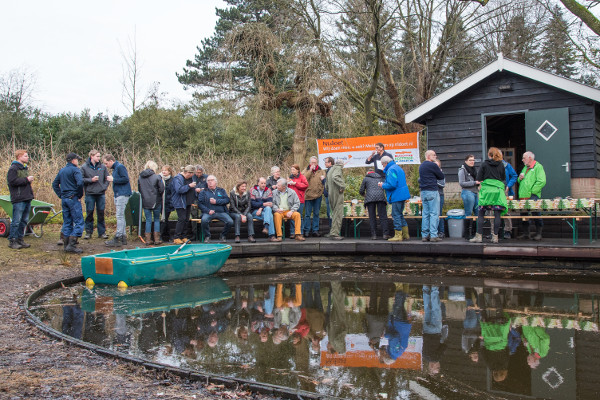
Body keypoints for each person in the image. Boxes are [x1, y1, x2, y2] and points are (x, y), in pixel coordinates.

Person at [470, 147, 507, 244]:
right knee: (497, 214)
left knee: (481, 213)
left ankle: (479, 236)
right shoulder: (501, 165)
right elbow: (503, 178)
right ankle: (495, 237)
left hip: (486, 191)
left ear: (489, 155)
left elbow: (478, 178)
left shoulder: (484, 164)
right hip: (497, 191)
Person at [52, 153, 85, 253]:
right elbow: (80, 183)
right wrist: (79, 195)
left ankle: (66, 245)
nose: (78, 162)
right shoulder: (75, 170)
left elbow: (54, 184)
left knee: (67, 221)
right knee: (79, 221)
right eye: (77, 160)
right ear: (73, 160)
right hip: (73, 198)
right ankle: (71, 245)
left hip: (65, 199)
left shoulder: (62, 170)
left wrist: (61, 195)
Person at [6, 149, 34, 249]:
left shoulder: (24, 168)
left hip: (26, 197)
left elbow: (24, 183)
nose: (27, 158)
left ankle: (20, 239)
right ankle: (12, 240)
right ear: (19, 157)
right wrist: (27, 179)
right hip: (18, 198)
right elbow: (12, 181)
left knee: (24, 221)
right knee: (16, 221)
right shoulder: (13, 168)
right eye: (25, 156)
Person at [102, 154, 132, 247]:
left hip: (122, 194)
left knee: (119, 215)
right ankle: (123, 237)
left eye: (106, 163)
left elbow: (125, 179)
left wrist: (113, 179)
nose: (106, 165)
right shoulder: (116, 168)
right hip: (119, 194)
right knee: (120, 215)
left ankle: (118, 237)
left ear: (111, 161)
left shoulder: (120, 167)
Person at [517, 151, 546, 240]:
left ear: (530, 158)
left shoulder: (538, 167)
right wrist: (519, 178)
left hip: (532, 195)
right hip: (523, 195)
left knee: (536, 213)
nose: (522, 160)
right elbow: (519, 180)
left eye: (524, 158)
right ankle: (526, 234)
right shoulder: (525, 168)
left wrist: (533, 192)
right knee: (524, 215)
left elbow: (541, 181)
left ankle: (539, 234)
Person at [380, 156, 410, 241]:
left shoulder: (391, 170)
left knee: (395, 215)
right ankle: (405, 234)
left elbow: (391, 185)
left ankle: (398, 235)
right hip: (403, 194)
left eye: (383, 165)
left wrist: (382, 185)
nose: (383, 167)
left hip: (397, 195)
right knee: (400, 214)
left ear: (386, 163)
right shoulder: (398, 168)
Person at [81, 150, 109, 240]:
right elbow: (81, 180)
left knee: (101, 213)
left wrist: (104, 187)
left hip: (101, 193)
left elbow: (107, 179)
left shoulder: (103, 167)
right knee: (89, 213)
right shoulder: (84, 167)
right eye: (97, 156)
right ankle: (88, 232)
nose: (99, 158)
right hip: (90, 193)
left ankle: (102, 232)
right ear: (92, 156)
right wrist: (90, 180)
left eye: (99, 156)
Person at [198, 175, 233, 242]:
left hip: (221, 212)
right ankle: (207, 236)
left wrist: (216, 201)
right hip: (208, 213)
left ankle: (223, 235)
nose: (210, 182)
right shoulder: (203, 192)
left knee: (230, 221)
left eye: (212, 180)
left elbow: (227, 200)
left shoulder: (221, 190)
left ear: (215, 182)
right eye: (208, 181)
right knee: (204, 220)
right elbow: (200, 204)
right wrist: (208, 211)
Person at [419, 150, 444, 242]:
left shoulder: (421, 166)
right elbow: (441, 176)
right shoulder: (433, 165)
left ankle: (425, 235)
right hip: (432, 190)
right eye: (434, 155)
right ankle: (433, 235)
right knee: (434, 213)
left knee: (425, 214)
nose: (435, 156)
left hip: (423, 191)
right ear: (428, 156)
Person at [138, 161, 165, 245]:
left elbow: (139, 189)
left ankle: (148, 239)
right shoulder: (157, 177)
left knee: (148, 220)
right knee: (156, 219)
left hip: (145, 201)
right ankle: (157, 239)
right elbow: (162, 189)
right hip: (156, 201)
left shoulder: (140, 177)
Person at [360, 168, 389, 240]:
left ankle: (374, 235)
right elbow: (385, 187)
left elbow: (361, 190)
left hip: (370, 199)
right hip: (381, 198)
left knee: (372, 217)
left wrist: (364, 195)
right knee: (383, 216)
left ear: (368, 173)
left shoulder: (366, 178)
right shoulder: (380, 177)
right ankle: (385, 234)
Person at [171, 165, 197, 244]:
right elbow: (179, 190)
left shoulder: (190, 178)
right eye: (190, 174)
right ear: (187, 172)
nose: (192, 176)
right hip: (180, 202)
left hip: (188, 202)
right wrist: (189, 186)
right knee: (181, 219)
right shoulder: (177, 178)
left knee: (186, 219)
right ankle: (177, 237)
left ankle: (184, 236)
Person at [302, 156, 326, 238]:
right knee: (307, 214)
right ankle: (307, 230)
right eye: (312, 162)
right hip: (308, 196)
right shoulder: (305, 170)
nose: (313, 164)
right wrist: (310, 170)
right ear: (309, 163)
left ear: (317, 163)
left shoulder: (321, 171)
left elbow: (325, 181)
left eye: (315, 162)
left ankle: (315, 230)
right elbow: (304, 178)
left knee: (316, 213)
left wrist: (323, 184)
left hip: (318, 195)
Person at [459, 154, 479, 239]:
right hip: (467, 192)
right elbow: (462, 183)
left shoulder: (474, 170)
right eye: (470, 160)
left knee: (478, 213)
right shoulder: (462, 170)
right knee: (468, 213)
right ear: (466, 161)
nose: (472, 162)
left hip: (475, 192)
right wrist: (474, 183)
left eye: (473, 160)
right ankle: (467, 234)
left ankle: (476, 233)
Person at [324, 158, 346, 240]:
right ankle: (335, 234)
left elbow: (326, 184)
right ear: (342, 164)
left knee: (334, 213)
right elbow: (335, 177)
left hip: (331, 194)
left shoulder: (330, 169)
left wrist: (328, 191)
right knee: (338, 213)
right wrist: (342, 185)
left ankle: (332, 232)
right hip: (337, 193)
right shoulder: (338, 168)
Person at [287, 164, 308, 239]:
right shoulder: (290, 177)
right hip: (291, 200)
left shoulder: (302, 177)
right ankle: (293, 232)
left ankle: (300, 232)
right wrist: (288, 183)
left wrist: (295, 183)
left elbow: (305, 185)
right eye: (291, 170)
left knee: (299, 216)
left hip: (300, 199)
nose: (292, 171)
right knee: (292, 215)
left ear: (297, 170)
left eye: (293, 170)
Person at [502, 159, 518, 239]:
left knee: (506, 211)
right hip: (494, 191)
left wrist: (508, 186)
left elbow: (514, 176)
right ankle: (494, 232)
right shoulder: (490, 165)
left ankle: (507, 230)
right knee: (492, 211)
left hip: (505, 190)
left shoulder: (507, 165)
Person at [160, 165, 175, 242]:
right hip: (161, 202)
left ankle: (163, 236)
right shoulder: (159, 179)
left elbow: (173, 192)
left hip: (168, 202)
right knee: (164, 219)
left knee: (165, 219)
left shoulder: (172, 180)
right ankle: (167, 236)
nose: (163, 172)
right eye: (162, 170)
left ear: (169, 171)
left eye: (165, 170)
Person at [434, 159, 446, 238]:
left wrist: (433, 181)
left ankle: (441, 231)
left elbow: (443, 184)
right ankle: (433, 231)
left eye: (437, 166)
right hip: (431, 194)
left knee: (439, 213)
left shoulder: (441, 173)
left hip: (439, 194)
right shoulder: (428, 173)